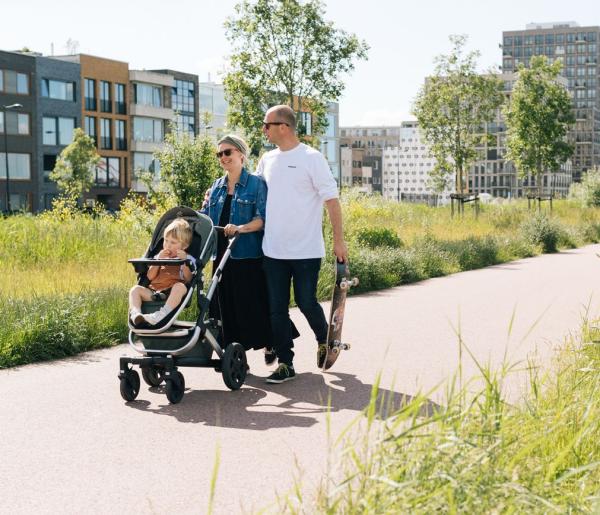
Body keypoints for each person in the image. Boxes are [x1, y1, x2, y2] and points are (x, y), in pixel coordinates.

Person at [257, 104, 348, 384]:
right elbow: (257, 198)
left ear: (283, 126)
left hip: (306, 249)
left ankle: (325, 340)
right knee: (276, 308)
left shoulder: (312, 158)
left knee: (307, 302)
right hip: (272, 249)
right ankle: (286, 363)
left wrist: (339, 241)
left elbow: (332, 201)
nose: (264, 129)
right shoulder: (266, 160)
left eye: (267, 124)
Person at [200, 134, 277, 354]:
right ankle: (233, 355)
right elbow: (206, 217)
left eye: (227, 152)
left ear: (241, 155)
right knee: (224, 308)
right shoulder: (216, 187)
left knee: (251, 306)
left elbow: (261, 219)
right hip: (220, 255)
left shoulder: (256, 184)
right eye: (219, 154)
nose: (222, 157)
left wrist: (239, 229)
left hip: (246, 254)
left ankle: (270, 342)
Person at [129, 218, 195, 326]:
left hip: (171, 294)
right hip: (154, 292)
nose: (168, 245)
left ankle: (161, 315)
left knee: (180, 287)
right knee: (135, 290)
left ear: (184, 246)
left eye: (173, 242)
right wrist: (158, 261)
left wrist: (185, 262)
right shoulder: (159, 256)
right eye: (166, 240)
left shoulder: (188, 259)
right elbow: (150, 277)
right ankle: (136, 314)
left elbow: (188, 279)